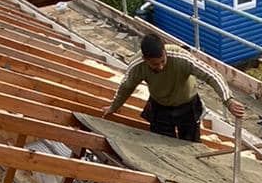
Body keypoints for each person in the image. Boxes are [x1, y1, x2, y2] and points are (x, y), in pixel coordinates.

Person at [103, 32, 244, 141]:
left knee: (191, 144)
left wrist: (228, 100)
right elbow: (126, 87)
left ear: (164, 51)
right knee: (161, 142)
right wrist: (113, 107)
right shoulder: (138, 66)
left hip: (187, 106)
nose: (160, 66)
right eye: (155, 64)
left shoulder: (180, 58)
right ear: (145, 60)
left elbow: (212, 75)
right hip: (160, 107)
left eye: (162, 61)